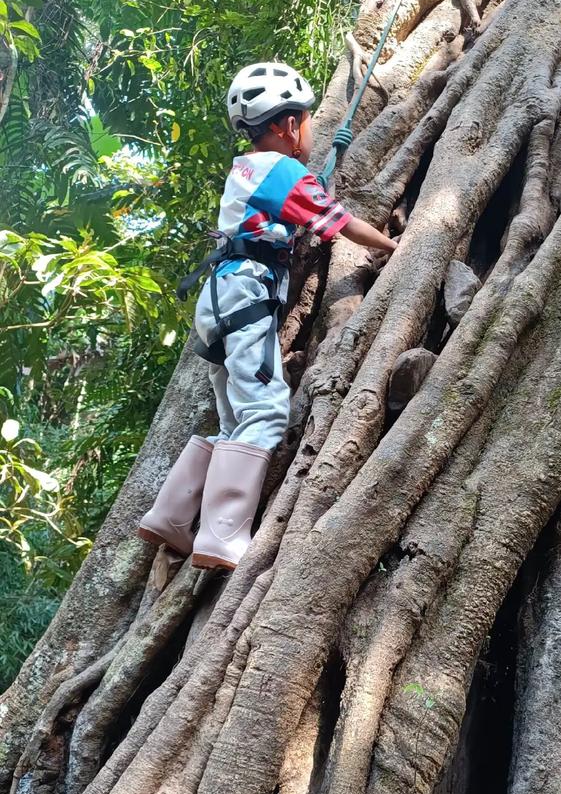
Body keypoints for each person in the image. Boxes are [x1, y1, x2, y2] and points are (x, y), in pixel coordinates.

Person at [138, 61, 397, 571]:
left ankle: (170, 516)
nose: (311, 129)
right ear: (285, 126)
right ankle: (221, 537)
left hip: (217, 302)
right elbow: (340, 223)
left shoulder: (247, 169)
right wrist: (397, 246)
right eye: (305, 119)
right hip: (246, 295)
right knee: (266, 411)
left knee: (235, 417)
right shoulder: (282, 171)